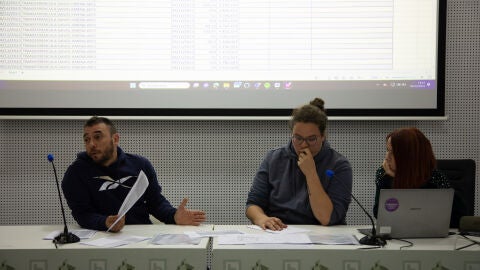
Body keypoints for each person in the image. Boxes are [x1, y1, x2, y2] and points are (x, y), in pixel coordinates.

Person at [62, 116, 206, 232]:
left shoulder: (140, 165)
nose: (91, 144)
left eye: (97, 137)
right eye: (87, 139)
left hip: (140, 236)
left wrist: (174, 216)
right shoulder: (76, 173)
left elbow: (155, 202)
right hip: (100, 237)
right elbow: (82, 214)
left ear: (115, 139)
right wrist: (104, 222)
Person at [246, 98, 353, 230]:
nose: (304, 145)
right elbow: (253, 204)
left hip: (321, 236)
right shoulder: (274, 158)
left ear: (323, 136)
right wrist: (262, 218)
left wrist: (311, 173)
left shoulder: (339, 165)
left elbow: (327, 218)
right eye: (298, 138)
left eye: (311, 139)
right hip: (279, 233)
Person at [373, 127, 466, 227]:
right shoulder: (384, 174)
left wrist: (404, 182)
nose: (387, 157)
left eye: (393, 152)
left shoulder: (433, 175)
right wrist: (390, 178)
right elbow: (379, 213)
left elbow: (458, 216)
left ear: (410, 156)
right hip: (396, 235)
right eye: (387, 150)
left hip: (433, 235)